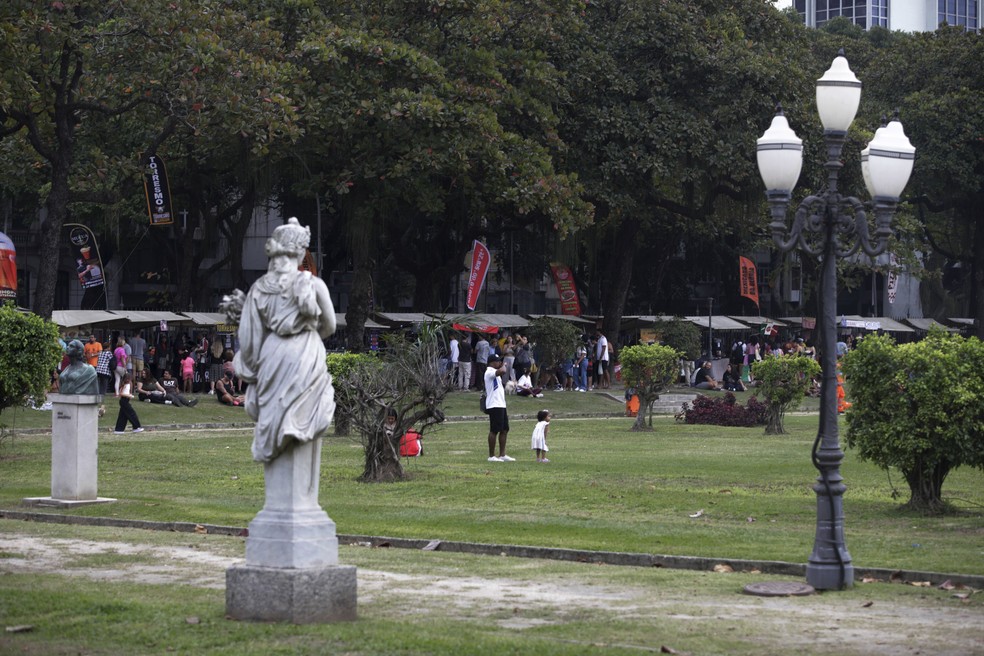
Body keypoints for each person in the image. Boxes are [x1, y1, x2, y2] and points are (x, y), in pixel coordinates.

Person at [233, 217, 336, 463]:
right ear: (300, 252)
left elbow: (249, 338)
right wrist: (308, 336)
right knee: (304, 412)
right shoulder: (314, 284)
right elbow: (330, 325)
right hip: (306, 352)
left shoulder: (259, 288)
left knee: (275, 413)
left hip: (272, 354)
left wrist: (251, 368)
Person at [484, 354, 514, 462]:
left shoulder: (495, 372)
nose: (499, 363)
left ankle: (502, 454)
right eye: (497, 361)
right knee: (494, 430)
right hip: (494, 404)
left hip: (501, 404)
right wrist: (504, 365)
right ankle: (491, 456)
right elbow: (503, 371)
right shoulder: (489, 372)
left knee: (504, 429)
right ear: (491, 362)